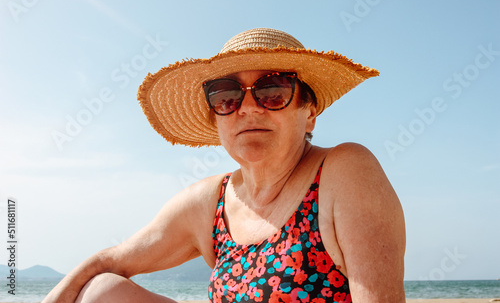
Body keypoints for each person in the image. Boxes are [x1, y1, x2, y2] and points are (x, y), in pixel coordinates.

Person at [42, 28, 406, 303]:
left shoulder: (343, 170)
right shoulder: (210, 201)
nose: (248, 108)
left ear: (309, 114)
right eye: (228, 96)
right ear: (218, 119)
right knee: (102, 292)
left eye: (272, 91)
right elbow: (110, 261)